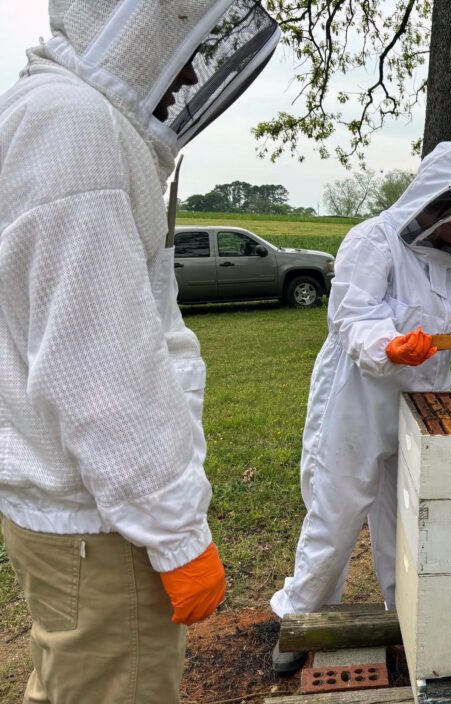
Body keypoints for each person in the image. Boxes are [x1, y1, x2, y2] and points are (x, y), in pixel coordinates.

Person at [0, 2, 281, 702]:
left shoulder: (45, 111)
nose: (191, 65)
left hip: (75, 513)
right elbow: (102, 368)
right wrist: (178, 533)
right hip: (105, 525)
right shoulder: (75, 125)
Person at [270, 139, 451, 673]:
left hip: (425, 402)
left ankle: (403, 616)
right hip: (359, 401)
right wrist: (387, 344)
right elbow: (350, 318)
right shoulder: (373, 241)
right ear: (436, 204)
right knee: (336, 511)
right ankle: (301, 619)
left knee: (408, 515)